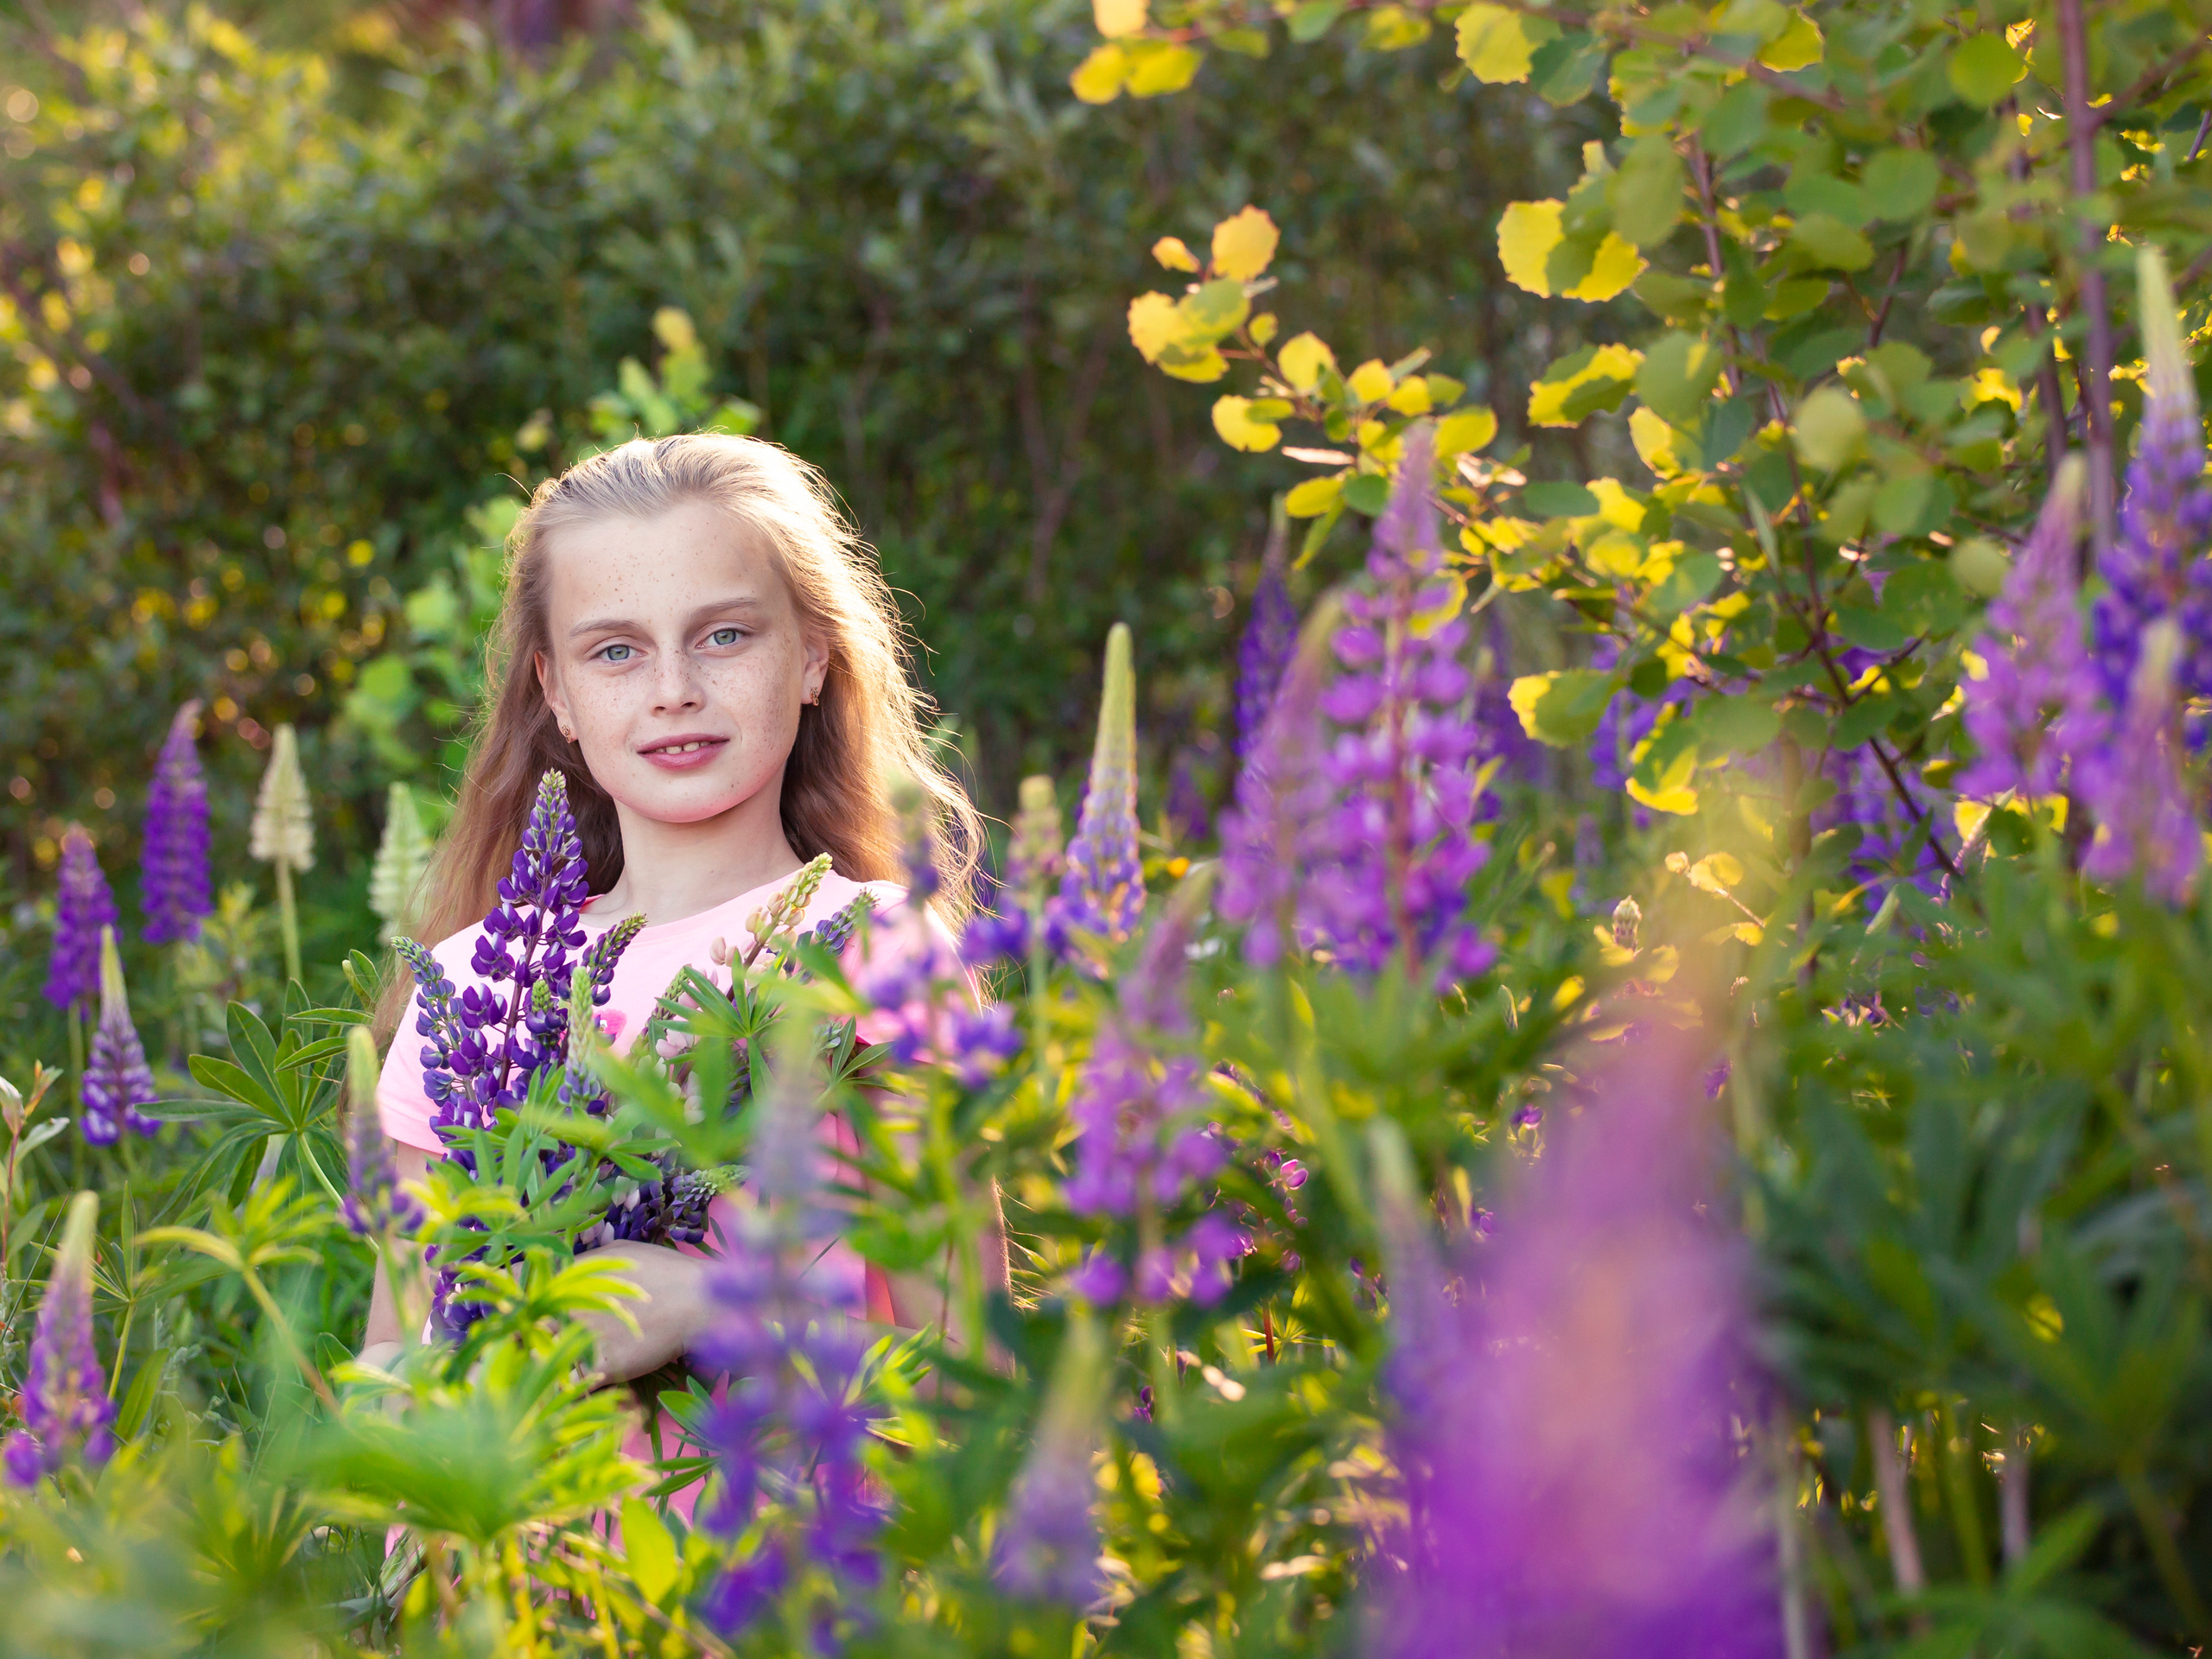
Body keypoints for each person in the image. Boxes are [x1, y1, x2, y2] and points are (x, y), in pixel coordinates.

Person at [359, 432, 1004, 1391]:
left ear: (814, 658)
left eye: (726, 636)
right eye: (616, 650)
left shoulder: (874, 955)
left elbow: (972, 1379)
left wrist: (709, 1305)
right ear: (557, 693)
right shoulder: (472, 992)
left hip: (796, 1530)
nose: (674, 691)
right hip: (529, 1531)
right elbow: (389, 1361)